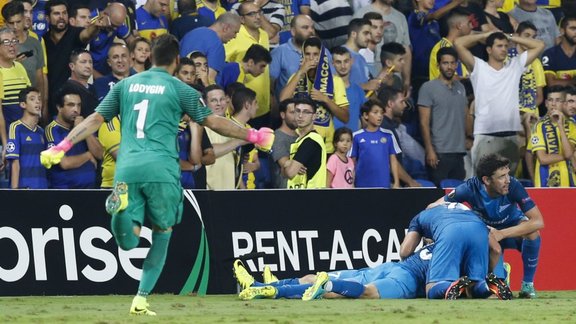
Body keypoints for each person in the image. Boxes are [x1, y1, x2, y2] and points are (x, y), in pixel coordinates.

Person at [39, 34, 274, 315]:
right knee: (162, 233)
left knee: (128, 240)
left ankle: (122, 211)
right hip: (161, 168)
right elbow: (213, 121)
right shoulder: (180, 89)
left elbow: (95, 119)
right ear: (176, 61)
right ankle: (141, 297)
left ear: (149, 56)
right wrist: (252, 134)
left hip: (128, 166)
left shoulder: (125, 85)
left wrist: (63, 145)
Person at [428, 153, 545, 298]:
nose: (507, 180)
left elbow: (538, 221)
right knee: (495, 293)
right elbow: (434, 206)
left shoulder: (514, 186)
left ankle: (527, 285)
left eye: (508, 174)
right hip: (487, 236)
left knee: (533, 233)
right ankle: (501, 272)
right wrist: (429, 228)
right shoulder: (470, 188)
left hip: (510, 231)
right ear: (486, 180)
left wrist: (502, 233)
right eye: (502, 176)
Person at [454, 31, 545, 175]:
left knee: (507, 185)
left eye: (506, 46)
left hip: (511, 136)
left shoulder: (515, 66)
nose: (504, 49)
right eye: (499, 46)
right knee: (483, 183)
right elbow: (458, 43)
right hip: (486, 136)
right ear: (489, 49)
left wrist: (509, 37)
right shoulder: (479, 67)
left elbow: (540, 45)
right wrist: (484, 35)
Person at [234, 243, 436, 300]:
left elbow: (406, 252)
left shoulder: (439, 237)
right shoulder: (460, 250)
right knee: (366, 292)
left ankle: (260, 286)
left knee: (312, 277)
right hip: (407, 278)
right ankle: (276, 291)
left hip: (390, 266)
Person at [400, 202, 512, 300]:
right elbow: (496, 250)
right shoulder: (471, 214)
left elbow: (405, 252)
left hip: (450, 231)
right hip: (478, 229)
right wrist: (489, 273)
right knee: (474, 286)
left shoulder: (422, 216)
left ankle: (448, 286)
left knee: (431, 288)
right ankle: (487, 286)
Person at [279, 37, 350, 154]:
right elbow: (283, 100)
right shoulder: (295, 78)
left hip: (325, 147)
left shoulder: (335, 81)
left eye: (315, 54)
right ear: (302, 55)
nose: (311, 58)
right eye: (307, 54)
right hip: (297, 143)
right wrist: (300, 72)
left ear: (322, 56)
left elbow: (345, 117)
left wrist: (326, 99)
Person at [43, 0, 110, 120]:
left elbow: (86, 35)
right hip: (52, 100)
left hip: (75, 101)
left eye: (64, 13)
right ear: (47, 18)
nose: (61, 17)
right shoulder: (43, 40)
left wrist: (95, 27)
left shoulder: (74, 33)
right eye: (57, 14)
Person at [418, 47, 468, 186]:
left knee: (458, 197)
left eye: (452, 63)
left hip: (458, 152)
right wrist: (429, 150)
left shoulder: (460, 88)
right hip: (439, 153)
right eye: (445, 63)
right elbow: (423, 122)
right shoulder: (428, 88)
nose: (449, 66)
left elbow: (464, 116)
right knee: (439, 197)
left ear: (457, 65)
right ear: (438, 65)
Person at [45, 87, 101, 189]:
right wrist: (88, 156)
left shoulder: (83, 125)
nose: (76, 110)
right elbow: (65, 163)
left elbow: (99, 154)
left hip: (89, 190)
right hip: (66, 192)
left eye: (78, 105)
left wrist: (83, 130)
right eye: (71, 105)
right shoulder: (52, 130)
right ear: (59, 107)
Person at [528, 86, 576, 187]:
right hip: (545, 182)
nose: (553, 104)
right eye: (550, 100)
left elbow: (569, 154)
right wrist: (569, 157)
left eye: (558, 100)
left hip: (570, 181)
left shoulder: (572, 126)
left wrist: (560, 126)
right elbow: (543, 159)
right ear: (546, 103)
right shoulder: (538, 126)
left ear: (564, 104)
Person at [180, 12, 241, 84]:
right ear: (226, 28)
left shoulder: (191, 33)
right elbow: (209, 79)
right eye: (235, 32)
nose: (235, 37)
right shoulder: (217, 45)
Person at [351, 99, 400, 188]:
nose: (379, 116)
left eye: (381, 113)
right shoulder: (356, 136)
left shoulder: (388, 135)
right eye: (375, 112)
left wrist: (396, 182)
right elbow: (352, 162)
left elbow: (393, 160)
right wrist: (351, 183)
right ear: (366, 115)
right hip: (362, 184)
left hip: (383, 184)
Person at [5, 87, 47, 189]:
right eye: (32, 99)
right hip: (24, 188)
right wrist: (15, 192)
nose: (37, 102)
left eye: (39, 99)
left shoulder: (41, 131)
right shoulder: (15, 127)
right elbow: (15, 162)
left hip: (43, 188)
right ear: (23, 104)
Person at [283, 97, 327, 189]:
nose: (300, 115)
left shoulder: (312, 140)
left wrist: (287, 164)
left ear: (314, 116)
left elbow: (290, 173)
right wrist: (288, 164)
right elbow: (284, 173)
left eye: (306, 112)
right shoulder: (300, 140)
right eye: (297, 111)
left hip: (310, 196)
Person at [269, 14, 316, 98]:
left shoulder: (324, 52)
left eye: (312, 27)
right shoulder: (279, 52)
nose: (311, 31)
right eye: (305, 27)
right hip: (288, 107)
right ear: (293, 31)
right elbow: (270, 86)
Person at [0, 27, 31, 132]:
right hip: (6, 132)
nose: (12, 45)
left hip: (22, 131)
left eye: (14, 41)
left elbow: (29, 98)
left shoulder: (20, 66)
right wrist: (5, 142)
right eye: (6, 42)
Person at [428, 8, 472, 80]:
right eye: (468, 23)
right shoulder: (442, 48)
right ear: (459, 25)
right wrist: (471, 79)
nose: (471, 26)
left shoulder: (460, 48)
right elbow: (448, 78)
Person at [331, 46, 366, 133]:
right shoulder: (327, 89)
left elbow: (365, 116)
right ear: (333, 64)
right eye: (338, 62)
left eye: (346, 61)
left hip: (353, 141)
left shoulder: (358, 90)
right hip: (332, 141)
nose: (343, 66)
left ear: (351, 61)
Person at [56, 49, 99, 118]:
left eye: (90, 62)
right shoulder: (65, 89)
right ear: (72, 66)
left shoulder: (94, 88)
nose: (88, 66)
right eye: (83, 62)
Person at [270, 98, 298, 188]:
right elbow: (286, 165)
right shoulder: (278, 137)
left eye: (298, 112)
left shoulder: (300, 136)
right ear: (283, 115)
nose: (297, 116)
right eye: (292, 112)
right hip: (284, 189)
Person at [541, 16, 576, 88]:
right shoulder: (549, 54)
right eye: (573, 29)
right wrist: (573, 81)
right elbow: (551, 83)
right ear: (562, 31)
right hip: (558, 98)